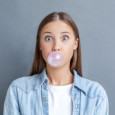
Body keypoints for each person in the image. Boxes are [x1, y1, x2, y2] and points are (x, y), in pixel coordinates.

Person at [3, 12, 109, 115]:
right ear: (40, 45)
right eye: (48, 38)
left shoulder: (96, 95)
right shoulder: (18, 90)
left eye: (64, 38)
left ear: (75, 44)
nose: (56, 46)